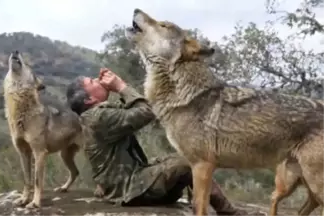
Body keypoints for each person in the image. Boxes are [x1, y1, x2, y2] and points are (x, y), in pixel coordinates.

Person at [65, 68, 265, 216]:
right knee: (191, 163)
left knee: (182, 159)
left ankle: (200, 207)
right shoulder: (98, 117)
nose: (97, 80)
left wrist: (121, 89)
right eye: (92, 81)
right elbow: (146, 112)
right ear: (89, 99)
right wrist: (121, 87)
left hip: (129, 183)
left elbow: (128, 112)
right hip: (131, 188)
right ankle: (229, 213)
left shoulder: (96, 116)